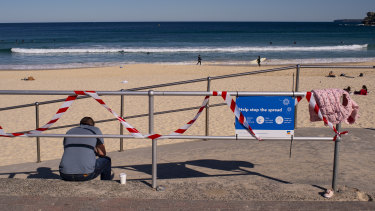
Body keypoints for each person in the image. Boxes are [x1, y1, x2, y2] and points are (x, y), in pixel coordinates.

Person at [59, 117, 112, 181]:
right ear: (93, 125)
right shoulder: (95, 130)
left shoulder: (69, 131)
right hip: (85, 175)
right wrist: (94, 152)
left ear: (80, 124)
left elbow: (68, 150)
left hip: (64, 174)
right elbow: (102, 153)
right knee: (106, 160)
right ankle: (106, 183)